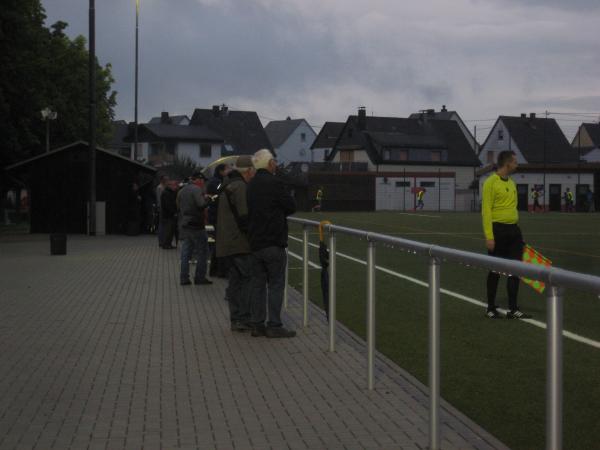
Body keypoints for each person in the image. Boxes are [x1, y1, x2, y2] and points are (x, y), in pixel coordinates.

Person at [247, 149, 297, 338]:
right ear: (269, 164)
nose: (276, 164)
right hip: (273, 242)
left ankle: (257, 324)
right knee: (275, 284)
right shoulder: (275, 183)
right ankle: (274, 325)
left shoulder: (250, 185)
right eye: (274, 161)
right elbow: (291, 206)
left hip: (254, 242)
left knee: (257, 285)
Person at [482, 150, 531, 319]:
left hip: (514, 231)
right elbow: (486, 211)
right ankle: (490, 308)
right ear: (507, 163)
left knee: (515, 270)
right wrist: (489, 236)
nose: (517, 165)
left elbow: (512, 209)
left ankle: (513, 309)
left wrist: (519, 235)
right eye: (515, 162)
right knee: (495, 270)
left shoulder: (512, 183)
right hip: (498, 231)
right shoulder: (490, 182)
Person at [216, 156, 256, 332]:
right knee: (246, 279)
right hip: (239, 242)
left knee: (235, 280)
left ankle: (236, 319)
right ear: (248, 171)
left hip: (226, 241)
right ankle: (243, 318)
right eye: (253, 170)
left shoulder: (227, 184)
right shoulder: (240, 187)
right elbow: (244, 216)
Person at [177, 171, 212, 286]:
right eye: (202, 181)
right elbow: (201, 204)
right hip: (196, 225)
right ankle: (199, 277)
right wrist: (208, 199)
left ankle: (184, 278)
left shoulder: (182, 191)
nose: (203, 183)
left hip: (185, 223)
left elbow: (178, 205)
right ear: (199, 180)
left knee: (186, 253)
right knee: (203, 251)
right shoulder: (197, 189)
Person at [207, 164, 230, 277]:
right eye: (227, 169)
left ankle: (215, 270)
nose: (229, 171)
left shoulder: (215, 181)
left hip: (215, 215)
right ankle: (220, 270)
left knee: (217, 244)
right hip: (217, 216)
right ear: (221, 171)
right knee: (220, 244)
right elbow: (217, 197)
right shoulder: (217, 183)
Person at [160, 180, 178, 249]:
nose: (175, 187)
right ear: (170, 186)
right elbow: (168, 205)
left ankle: (168, 244)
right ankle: (166, 244)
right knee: (168, 230)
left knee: (170, 230)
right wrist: (173, 212)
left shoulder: (170, 192)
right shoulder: (166, 193)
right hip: (168, 215)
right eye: (174, 185)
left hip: (169, 214)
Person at [155, 175, 168, 246]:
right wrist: (161, 207)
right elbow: (159, 199)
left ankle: (163, 240)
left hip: (163, 208)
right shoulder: (160, 188)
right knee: (161, 225)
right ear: (162, 180)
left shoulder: (163, 187)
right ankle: (161, 241)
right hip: (162, 208)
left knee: (163, 225)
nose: (167, 181)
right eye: (166, 180)